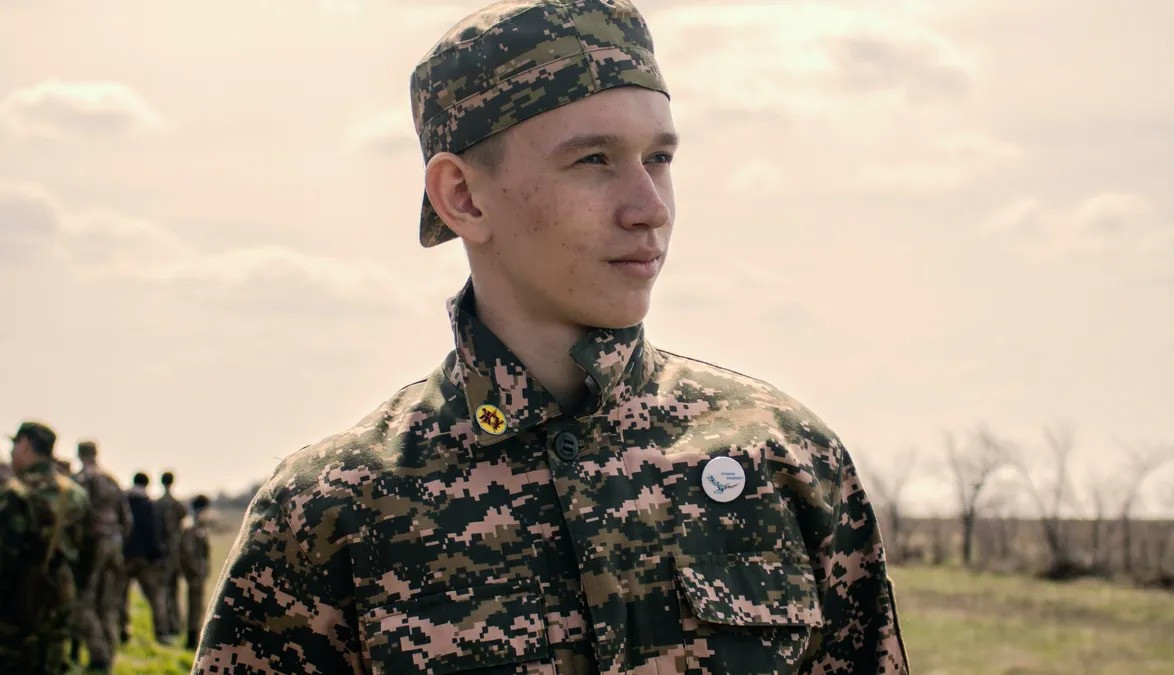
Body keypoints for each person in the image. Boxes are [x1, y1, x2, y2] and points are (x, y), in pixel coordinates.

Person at [195, 1, 907, 673]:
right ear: (463, 197)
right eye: (593, 160)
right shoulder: (332, 510)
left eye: (660, 158)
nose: (649, 208)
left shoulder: (784, 457)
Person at [0, 421, 94, 674]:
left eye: (14, 445)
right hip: (59, 606)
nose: (11, 453)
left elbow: (5, 559)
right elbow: (88, 553)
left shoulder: (17, 494)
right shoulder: (76, 495)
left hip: (17, 613)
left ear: (25, 444)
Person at [73, 440, 133, 673]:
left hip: (93, 544)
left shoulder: (81, 480)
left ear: (80, 455)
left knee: (84, 601)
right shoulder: (111, 480)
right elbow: (127, 519)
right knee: (108, 602)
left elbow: (77, 516)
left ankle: (98, 654)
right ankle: (110, 651)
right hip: (115, 542)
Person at [120, 471, 169, 645]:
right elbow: (153, 531)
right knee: (155, 597)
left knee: (121, 595)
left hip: (125, 555)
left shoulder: (124, 500)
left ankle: (123, 630)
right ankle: (161, 633)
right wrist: (156, 553)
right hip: (144, 558)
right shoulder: (149, 504)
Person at [156, 471, 188, 640]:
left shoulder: (158, 504)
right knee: (174, 590)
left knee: (162, 590)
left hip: (162, 552)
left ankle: (164, 626)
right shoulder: (177, 504)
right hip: (176, 552)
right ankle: (175, 625)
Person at [179, 494, 212, 651]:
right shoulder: (192, 526)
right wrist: (197, 570)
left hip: (197, 573)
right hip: (194, 574)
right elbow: (188, 553)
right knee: (195, 606)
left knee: (197, 606)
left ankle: (194, 637)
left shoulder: (197, 525)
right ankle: (192, 639)